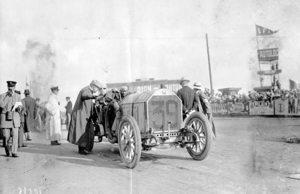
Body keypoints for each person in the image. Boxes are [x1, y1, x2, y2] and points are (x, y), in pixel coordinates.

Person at [67, 80, 107, 155]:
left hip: (83, 114)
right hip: (80, 114)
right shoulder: (85, 90)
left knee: (82, 131)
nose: (97, 90)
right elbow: (85, 95)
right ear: (94, 87)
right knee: (81, 131)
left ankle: (82, 148)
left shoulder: (88, 90)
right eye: (97, 88)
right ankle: (82, 150)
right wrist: (93, 96)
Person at [0, 81, 22, 157]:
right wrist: (8, 97)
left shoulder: (18, 96)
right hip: (6, 119)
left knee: (15, 136)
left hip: (15, 119)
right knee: (6, 136)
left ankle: (14, 152)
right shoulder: (3, 95)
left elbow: (21, 107)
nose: (11, 89)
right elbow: (2, 105)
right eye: (9, 87)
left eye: (12, 87)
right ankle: (7, 148)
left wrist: (19, 108)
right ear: (7, 87)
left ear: (15, 87)